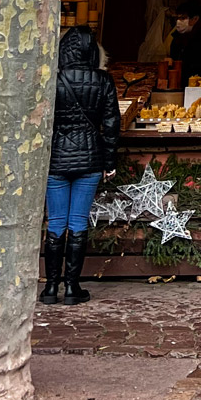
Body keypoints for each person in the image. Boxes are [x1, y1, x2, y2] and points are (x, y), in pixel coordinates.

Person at [42, 26, 121, 306]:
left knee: (56, 223)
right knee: (77, 223)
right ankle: (72, 288)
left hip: (55, 160)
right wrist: (109, 162)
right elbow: (111, 125)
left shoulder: (51, 79)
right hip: (90, 159)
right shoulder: (103, 81)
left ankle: (50, 288)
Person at [170, 3, 201, 84]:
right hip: (180, 83)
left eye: (183, 18)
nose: (178, 22)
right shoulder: (177, 39)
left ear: (195, 19)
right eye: (177, 18)